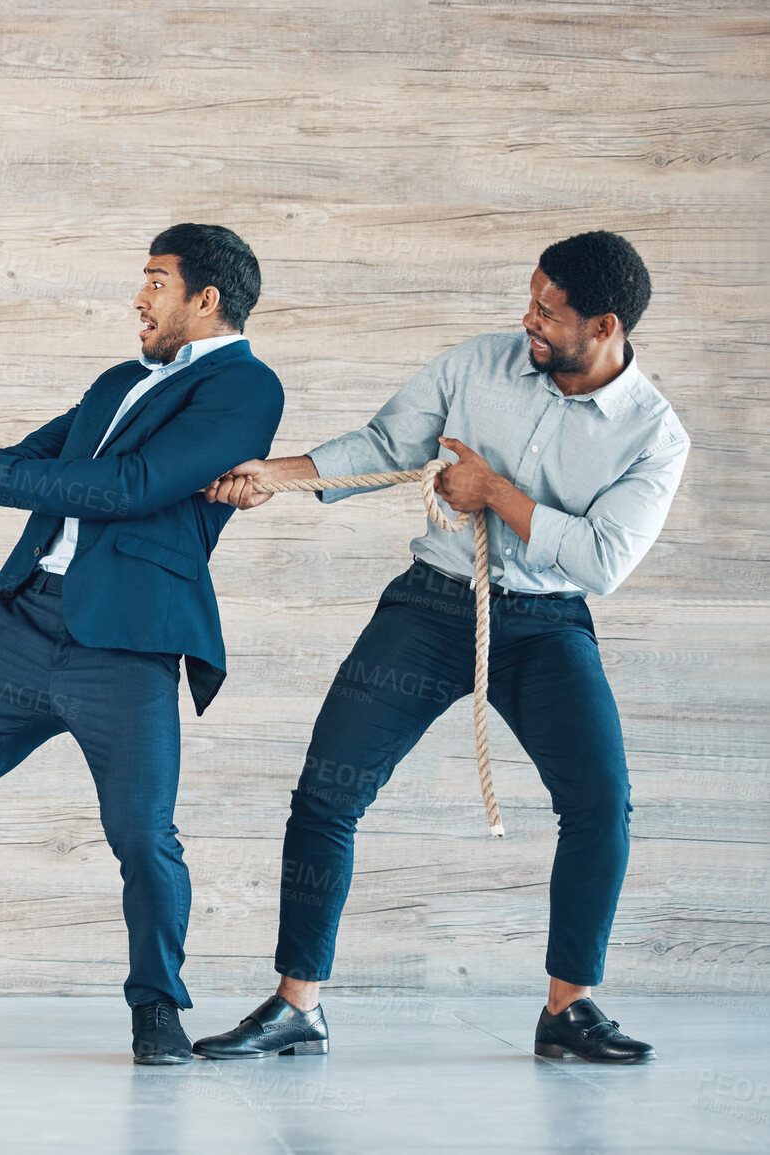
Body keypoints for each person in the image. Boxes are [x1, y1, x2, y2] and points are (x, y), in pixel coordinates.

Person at [196, 231, 686, 1065]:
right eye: (529, 298)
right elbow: (385, 446)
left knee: (600, 804)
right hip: (428, 607)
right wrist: (274, 475)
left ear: (603, 326)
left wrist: (497, 493)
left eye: (546, 310)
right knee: (326, 792)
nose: (525, 319)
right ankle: (296, 1008)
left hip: (544, 621)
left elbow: (603, 559)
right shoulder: (475, 363)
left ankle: (567, 1009)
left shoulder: (652, 434)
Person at [0, 224, 284, 1065]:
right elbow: (31, 456)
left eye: (154, 281)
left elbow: (132, 487)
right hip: (26, 625)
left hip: (128, 644)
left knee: (142, 834)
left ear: (204, 298)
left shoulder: (245, 389)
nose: (136, 297)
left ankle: (156, 1009)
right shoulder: (117, 382)